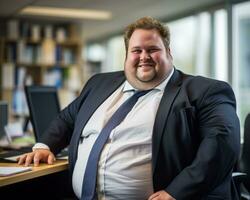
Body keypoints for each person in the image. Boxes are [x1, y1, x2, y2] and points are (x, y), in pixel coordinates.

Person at [17, 16, 240, 200]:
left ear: (168, 52)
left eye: (153, 49)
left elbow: (221, 144)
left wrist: (175, 193)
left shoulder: (205, 90)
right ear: (127, 55)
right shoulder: (99, 83)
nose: (144, 57)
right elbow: (67, 118)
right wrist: (45, 146)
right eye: (136, 50)